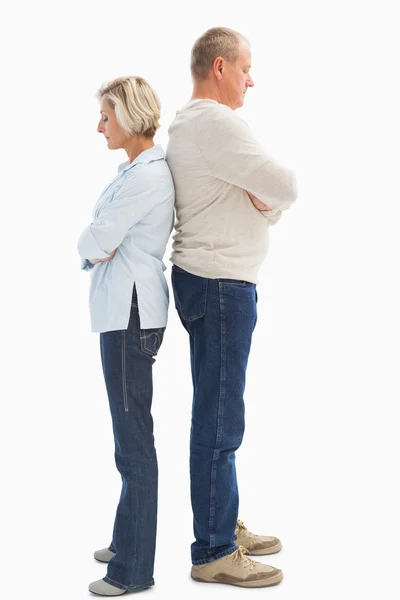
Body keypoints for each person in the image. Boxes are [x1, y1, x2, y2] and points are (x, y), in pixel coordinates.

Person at [166, 27, 297, 588]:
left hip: (210, 282)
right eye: (245, 66)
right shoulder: (217, 123)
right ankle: (214, 549)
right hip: (221, 286)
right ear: (219, 67)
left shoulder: (193, 125)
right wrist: (267, 201)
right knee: (220, 420)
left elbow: (268, 200)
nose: (252, 78)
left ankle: (222, 525)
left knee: (219, 414)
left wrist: (264, 204)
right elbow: (284, 184)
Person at [77, 76, 174, 596]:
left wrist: (90, 245)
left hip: (130, 314)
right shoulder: (135, 172)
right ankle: (126, 537)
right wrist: (94, 245)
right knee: (126, 436)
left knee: (134, 442)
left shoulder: (147, 177)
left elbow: (97, 237)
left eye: (106, 117)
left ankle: (133, 570)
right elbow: (98, 242)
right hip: (124, 312)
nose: (100, 126)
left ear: (130, 117)